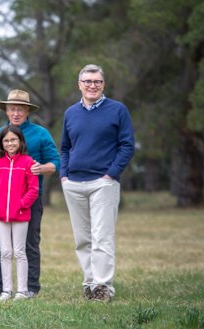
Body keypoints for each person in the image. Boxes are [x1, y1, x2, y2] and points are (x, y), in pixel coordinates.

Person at [60, 64, 135, 302]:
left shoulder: (118, 110)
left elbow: (127, 145)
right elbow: (65, 148)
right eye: (88, 81)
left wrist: (110, 174)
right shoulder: (71, 112)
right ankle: (89, 284)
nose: (92, 85)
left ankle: (103, 287)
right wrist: (64, 175)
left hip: (103, 183)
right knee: (82, 239)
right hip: (74, 183)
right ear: (79, 84)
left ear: (103, 85)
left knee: (102, 237)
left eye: (97, 82)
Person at [0, 89, 60, 299]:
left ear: (27, 111)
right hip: (1, 200)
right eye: (12, 109)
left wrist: (41, 168)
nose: (16, 113)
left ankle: (30, 287)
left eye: (20, 109)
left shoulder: (41, 134)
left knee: (30, 242)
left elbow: (56, 163)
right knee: (2, 244)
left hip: (29, 199)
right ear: (6, 110)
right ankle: (0, 287)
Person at [0, 125, 39, 301]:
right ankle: (6, 290)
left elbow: (33, 189)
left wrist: (22, 204)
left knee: (20, 252)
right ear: (1, 143)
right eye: (6, 140)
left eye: (13, 140)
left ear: (20, 141)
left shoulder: (28, 162)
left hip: (21, 215)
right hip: (1, 215)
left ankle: (22, 291)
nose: (10, 143)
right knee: (5, 252)